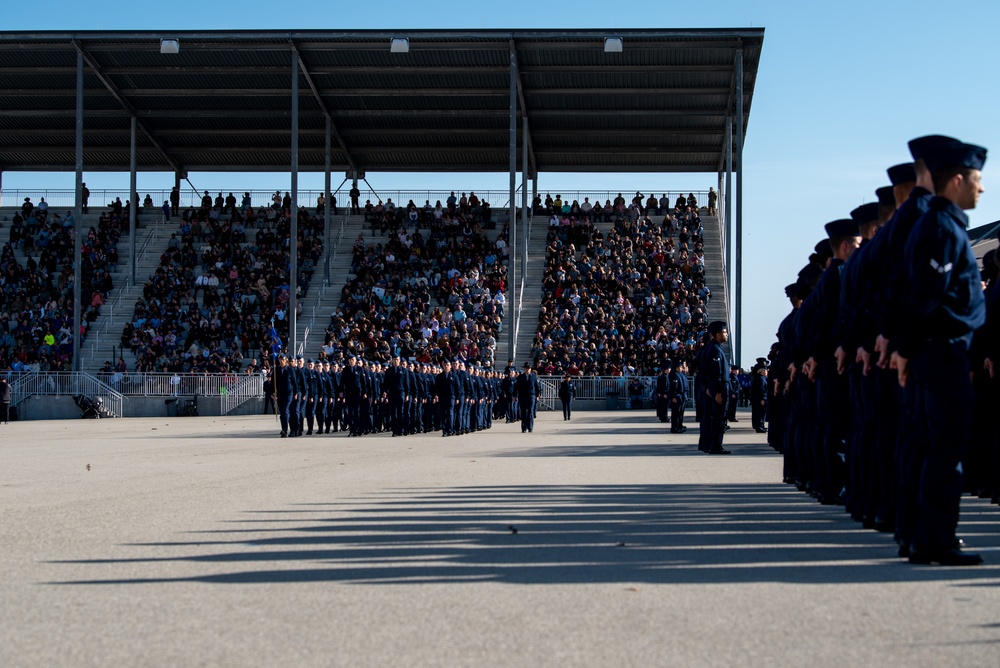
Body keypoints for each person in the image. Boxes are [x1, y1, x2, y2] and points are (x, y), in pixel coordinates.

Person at [891, 139, 988, 566]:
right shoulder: (943, 228)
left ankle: (921, 535)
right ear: (957, 180)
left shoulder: (939, 225)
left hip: (934, 351)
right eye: (978, 180)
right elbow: (924, 297)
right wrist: (906, 348)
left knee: (930, 445)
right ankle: (936, 538)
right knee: (944, 448)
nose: (982, 189)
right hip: (941, 352)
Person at [700, 321, 731, 454]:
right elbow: (715, 372)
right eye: (724, 332)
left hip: (717, 387)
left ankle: (710, 444)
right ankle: (715, 445)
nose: (726, 335)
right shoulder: (714, 350)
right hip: (719, 387)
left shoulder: (716, 348)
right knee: (718, 418)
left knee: (715, 417)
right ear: (716, 335)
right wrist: (717, 391)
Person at [514, 363, 539, 433]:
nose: (527, 370)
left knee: (530, 411)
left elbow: (537, 387)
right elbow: (516, 387)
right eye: (526, 368)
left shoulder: (534, 377)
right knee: (523, 412)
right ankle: (524, 427)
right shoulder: (520, 377)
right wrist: (515, 395)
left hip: (531, 395)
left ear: (530, 369)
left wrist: (537, 395)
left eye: (528, 368)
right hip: (523, 396)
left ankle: (530, 427)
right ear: (524, 369)